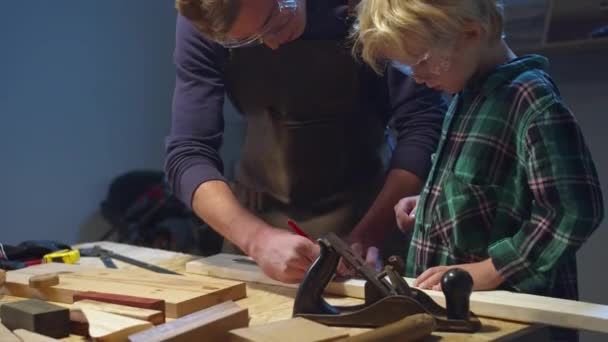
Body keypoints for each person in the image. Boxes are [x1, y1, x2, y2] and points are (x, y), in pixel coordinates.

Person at [354, 0, 603, 335]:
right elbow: (479, 190)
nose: (418, 76)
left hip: (512, 326)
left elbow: (574, 209)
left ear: (471, 33)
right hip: (458, 315)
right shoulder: (465, 96)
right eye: (406, 67)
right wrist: (428, 203)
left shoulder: (530, 100)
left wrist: (491, 269)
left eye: (424, 61)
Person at [166, 0, 447, 283]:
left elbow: (421, 125)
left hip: (368, 215)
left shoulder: (370, 5)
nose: (272, 44)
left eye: (273, 20)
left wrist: (370, 233)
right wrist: (254, 238)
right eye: (247, 41)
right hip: (259, 222)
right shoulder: (206, 17)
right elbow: (189, 153)